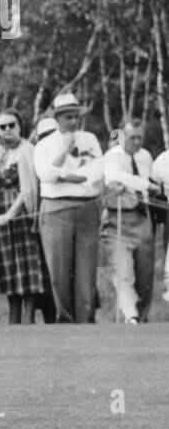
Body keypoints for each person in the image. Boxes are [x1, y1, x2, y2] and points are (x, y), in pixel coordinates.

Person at [33, 94, 103, 323]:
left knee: (86, 268)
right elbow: (46, 175)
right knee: (59, 269)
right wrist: (64, 150)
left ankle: (86, 319)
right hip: (56, 208)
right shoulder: (44, 144)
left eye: (76, 116)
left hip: (87, 206)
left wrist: (70, 177)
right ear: (58, 118)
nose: (73, 121)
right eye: (68, 117)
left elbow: (97, 172)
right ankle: (65, 318)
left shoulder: (90, 139)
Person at [0, 109, 45, 324]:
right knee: (9, 265)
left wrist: (11, 213)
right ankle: (13, 317)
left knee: (27, 265)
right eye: (2, 126)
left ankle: (29, 317)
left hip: (20, 213)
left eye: (11, 125)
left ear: (20, 126)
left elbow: (29, 189)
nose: (7, 130)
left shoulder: (28, 150)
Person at [102, 120, 155, 324]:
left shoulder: (145, 156)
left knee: (145, 276)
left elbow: (149, 182)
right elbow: (114, 177)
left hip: (142, 220)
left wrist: (148, 187)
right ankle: (130, 316)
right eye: (132, 137)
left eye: (139, 137)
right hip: (118, 219)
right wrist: (145, 185)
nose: (136, 141)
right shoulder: (112, 156)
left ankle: (141, 317)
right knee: (123, 272)